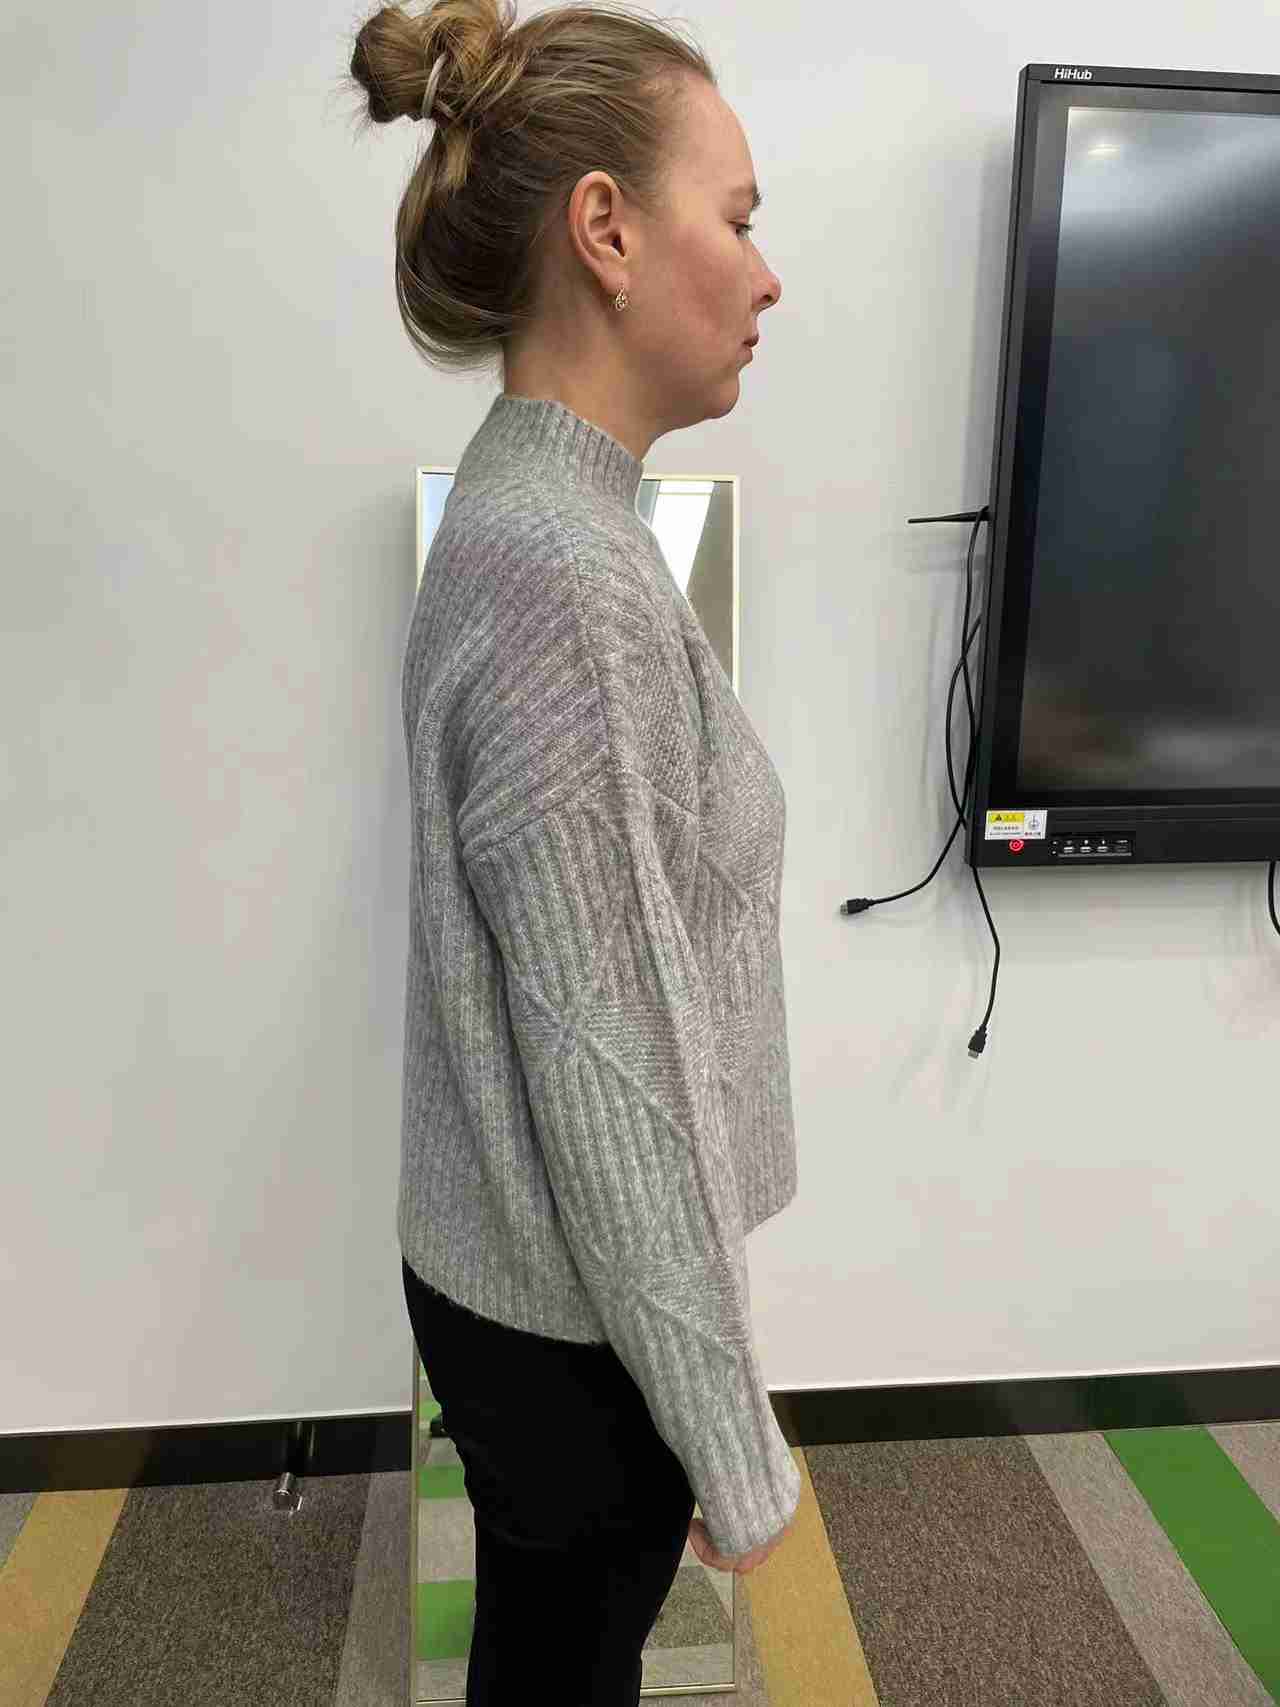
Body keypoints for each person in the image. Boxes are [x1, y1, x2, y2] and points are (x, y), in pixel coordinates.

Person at [347, 1, 795, 1698]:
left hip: (525, 1289)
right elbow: (617, 1065)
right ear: (606, 231)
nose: (767, 277)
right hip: (572, 1323)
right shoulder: (564, 573)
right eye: (737, 219)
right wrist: (731, 1441)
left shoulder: (538, 515)